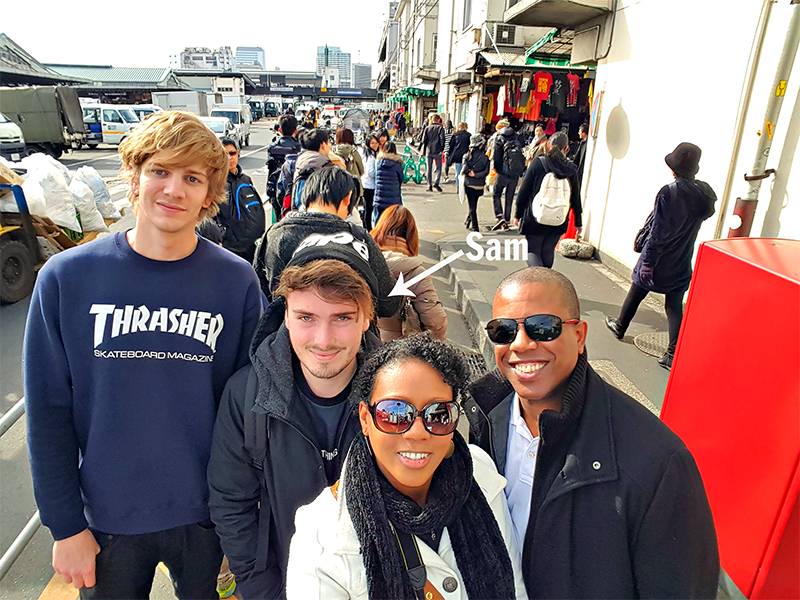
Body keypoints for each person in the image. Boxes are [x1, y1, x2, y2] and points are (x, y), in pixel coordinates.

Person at [23, 111, 264, 598]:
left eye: (192, 178)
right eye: (160, 171)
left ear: (208, 194)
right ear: (133, 178)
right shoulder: (67, 278)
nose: (174, 190)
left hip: (208, 517)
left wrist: (245, 516)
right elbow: (47, 410)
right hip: (107, 519)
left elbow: (251, 408)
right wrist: (64, 525)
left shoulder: (235, 281)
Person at [466, 267, 720, 600]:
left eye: (544, 327)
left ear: (580, 336)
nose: (522, 344)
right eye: (504, 330)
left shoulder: (657, 463)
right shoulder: (485, 416)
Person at [286, 335, 528, 600]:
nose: (417, 432)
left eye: (438, 414)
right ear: (365, 419)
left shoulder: (479, 474)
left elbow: (513, 585)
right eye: (395, 414)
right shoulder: (322, 537)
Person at [208, 249, 383, 600]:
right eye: (306, 317)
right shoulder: (246, 396)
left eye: (342, 318)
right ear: (285, 315)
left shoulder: (397, 395)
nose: (322, 339)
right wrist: (262, 590)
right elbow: (231, 503)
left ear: (366, 320)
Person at [605, 142, 716, 370]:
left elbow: (659, 231)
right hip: (682, 257)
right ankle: (671, 353)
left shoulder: (670, 192)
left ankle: (620, 326)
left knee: (637, 288)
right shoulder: (702, 195)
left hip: (659, 257)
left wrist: (648, 261)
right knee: (674, 305)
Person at [257, 165, 401, 320]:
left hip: (288, 335)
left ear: (307, 194)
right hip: (350, 338)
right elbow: (389, 304)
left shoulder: (275, 235)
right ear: (348, 198)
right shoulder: (359, 238)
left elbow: (259, 293)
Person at [371, 206, 448, 341]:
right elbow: (436, 323)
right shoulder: (415, 272)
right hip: (401, 352)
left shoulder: (362, 264)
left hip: (365, 349)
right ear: (411, 237)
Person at [514, 132, 583, 268]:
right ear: (566, 148)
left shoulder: (538, 163)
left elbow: (524, 191)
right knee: (547, 251)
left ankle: (539, 280)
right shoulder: (571, 169)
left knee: (533, 250)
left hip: (536, 215)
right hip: (559, 218)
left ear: (549, 144)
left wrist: (518, 214)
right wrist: (578, 222)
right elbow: (575, 197)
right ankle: (546, 281)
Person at [215, 138, 265, 263]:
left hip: (249, 246)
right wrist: (225, 237)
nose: (229, 158)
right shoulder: (214, 183)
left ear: (238, 153)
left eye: (232, 153)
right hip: (228, 248)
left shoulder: (245, 180)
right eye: (224, 154)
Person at [266, 114, 302, 219]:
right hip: (292, 190)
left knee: (278, 220)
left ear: (280, 130)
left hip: (274, 187)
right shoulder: (299, 147)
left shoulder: (272, 147)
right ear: (296, 130)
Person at [492, 120, 525, 230]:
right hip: (514, 173)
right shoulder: (518, 137)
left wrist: (497, 169)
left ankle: (499, 215)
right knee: (509, 198)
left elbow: (496, 156)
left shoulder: (499, 138)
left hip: (502, 172)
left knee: (496, 194)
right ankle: (506, 220)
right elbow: (522, 155)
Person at [461, 134, 490, 233]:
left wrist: (470, 173)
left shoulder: (467, 156)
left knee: (472, 207)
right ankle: (468, 221)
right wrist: (477, 175)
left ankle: (475, 227)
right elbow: (486, 172)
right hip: (480, 185)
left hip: (469, 184)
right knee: (474, 204)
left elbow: (464, 169)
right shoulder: (485, 158)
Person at [373, 140, 404, 225]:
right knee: (393, 219)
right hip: (393, 197)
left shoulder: (379, 162)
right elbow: (401, 179)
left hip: (380, 196)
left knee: (378, 218)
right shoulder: (397, 164)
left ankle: (375, 235)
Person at [335, 128, 365, 197]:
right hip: (353, 186)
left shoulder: (334, 151)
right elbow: (361, 170)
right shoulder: (353, 151)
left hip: (338, 187)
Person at [359, 133, 380, 230]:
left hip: (366, 184)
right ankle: (368, 229)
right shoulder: (370, 156)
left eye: (376, 143)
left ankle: (367, 228)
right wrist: (379, 175)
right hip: (369, 185)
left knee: (368, 209)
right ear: (368, 144)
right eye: (372, 143)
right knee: (369, 209)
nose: (375, 145)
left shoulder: (366, 153)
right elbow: (370, 172)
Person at [420, 113, 445, 192]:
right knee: (438, 168)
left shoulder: (427, 128)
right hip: (437, 150)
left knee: (429, 168)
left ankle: (429, 185)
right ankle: (436, 182)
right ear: (438, 120)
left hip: (429, 150)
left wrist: (423, 149)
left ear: (432, 120)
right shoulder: (440, 128)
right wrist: (442, 149)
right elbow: (442, 139)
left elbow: (423, 140)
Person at [569, 122, 589, 187]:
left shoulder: (585, 143)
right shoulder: (583, 142)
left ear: (583, 133)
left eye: (579, 131)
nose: (578, 133)